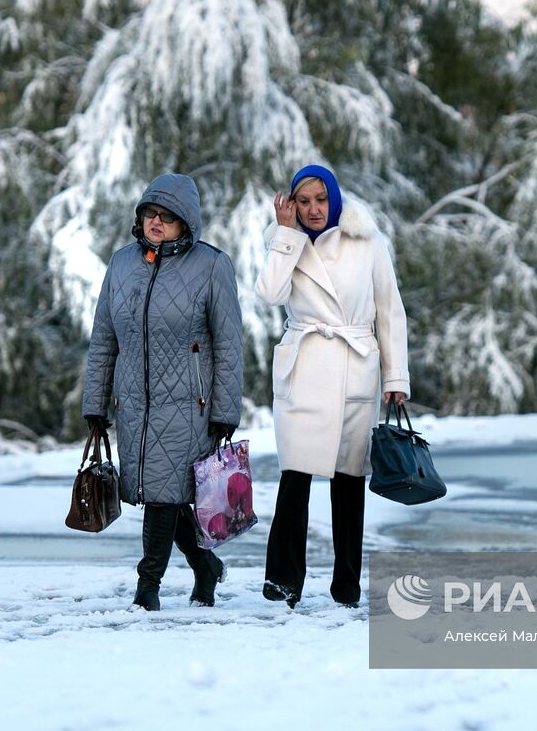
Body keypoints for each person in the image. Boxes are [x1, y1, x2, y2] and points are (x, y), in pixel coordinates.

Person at [82, 173, 244, 611]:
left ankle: (146, 587)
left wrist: (226, 410)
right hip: (134, 403)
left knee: (162, 494)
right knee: (163, 494)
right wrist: (96, 404)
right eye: (150, 213)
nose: (156, 221)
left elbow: (229, 342)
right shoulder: (121, 264)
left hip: (189, 405)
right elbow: (104, 340)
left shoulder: (212, 266)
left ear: (185, 222)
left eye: (167, 216)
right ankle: (204, 566)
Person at [255, 164, 410, 608]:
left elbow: (390, 309)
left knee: (348, 482)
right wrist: (287, 236)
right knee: (295, 477)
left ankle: (347, 586)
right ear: (292, 204)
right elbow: (269, 293)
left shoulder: (368, 241)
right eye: (303, 202)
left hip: (354, 365)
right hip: (304, 368)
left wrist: (396, 376)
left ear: (334, 198)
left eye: (320, 200)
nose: (313, 210)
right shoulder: (286, 240)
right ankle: (283, 581)